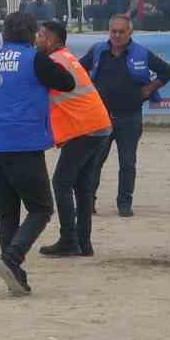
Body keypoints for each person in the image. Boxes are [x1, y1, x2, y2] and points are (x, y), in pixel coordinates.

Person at [0, 12, 77, 296]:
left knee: (7, 212)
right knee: (41, 208)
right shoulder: (34, 59)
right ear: (31, 35)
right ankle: (11, 259)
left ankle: (13, 272)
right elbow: (67, 82)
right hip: (23, 145)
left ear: (4, 35)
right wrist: (46, 55)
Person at [80, 15, 170, 217]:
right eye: (113, 31)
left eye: (121, 32)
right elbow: (79, 69)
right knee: (94, 162)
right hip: (101, 118)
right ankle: (87, 203)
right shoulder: (98, 51)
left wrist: (149, 88)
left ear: (130, 32)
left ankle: (124, 204)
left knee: (127, 163)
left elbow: (167, 72)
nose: (116, 35)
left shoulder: (142, 53)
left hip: (130, 118)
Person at [35, 20, 112, 258]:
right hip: (99, 125)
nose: (36, 39)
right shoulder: (66, 57)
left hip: (85, 128)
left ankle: (69, 240)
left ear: (51, 40)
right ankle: (83, 242)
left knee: (61, 182)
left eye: (40, 35)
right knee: (82, 185)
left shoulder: (53, 62)